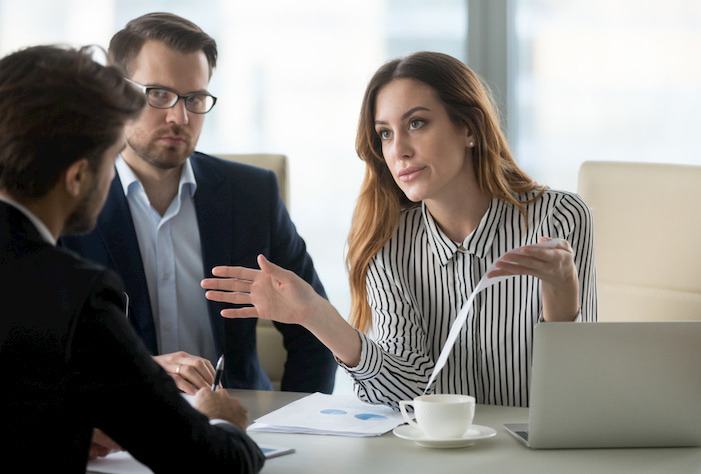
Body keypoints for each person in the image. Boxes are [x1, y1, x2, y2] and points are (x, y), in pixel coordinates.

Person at [202, 51, 597, 409]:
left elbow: (580, 392)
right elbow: (408, 394)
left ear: (469, 129)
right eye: (386, 133)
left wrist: (561, 293)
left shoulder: (557, 217)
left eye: (417, 123)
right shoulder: (387, 241)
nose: (399, 150)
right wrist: (314, 315)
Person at [0, 45, 264, 472]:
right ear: (79, 176)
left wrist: (67, 429)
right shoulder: (73, 292)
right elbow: (215, 465)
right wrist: (221, 422)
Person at [60, 12, 336, 394]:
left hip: (238, 426)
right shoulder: (67, 199)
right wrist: (140, 372)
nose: (180, 116)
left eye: (196, 98)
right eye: (158, 94)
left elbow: (315, 332)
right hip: (118, 430)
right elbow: (37, 352)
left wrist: (294, 425)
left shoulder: (252, 195)